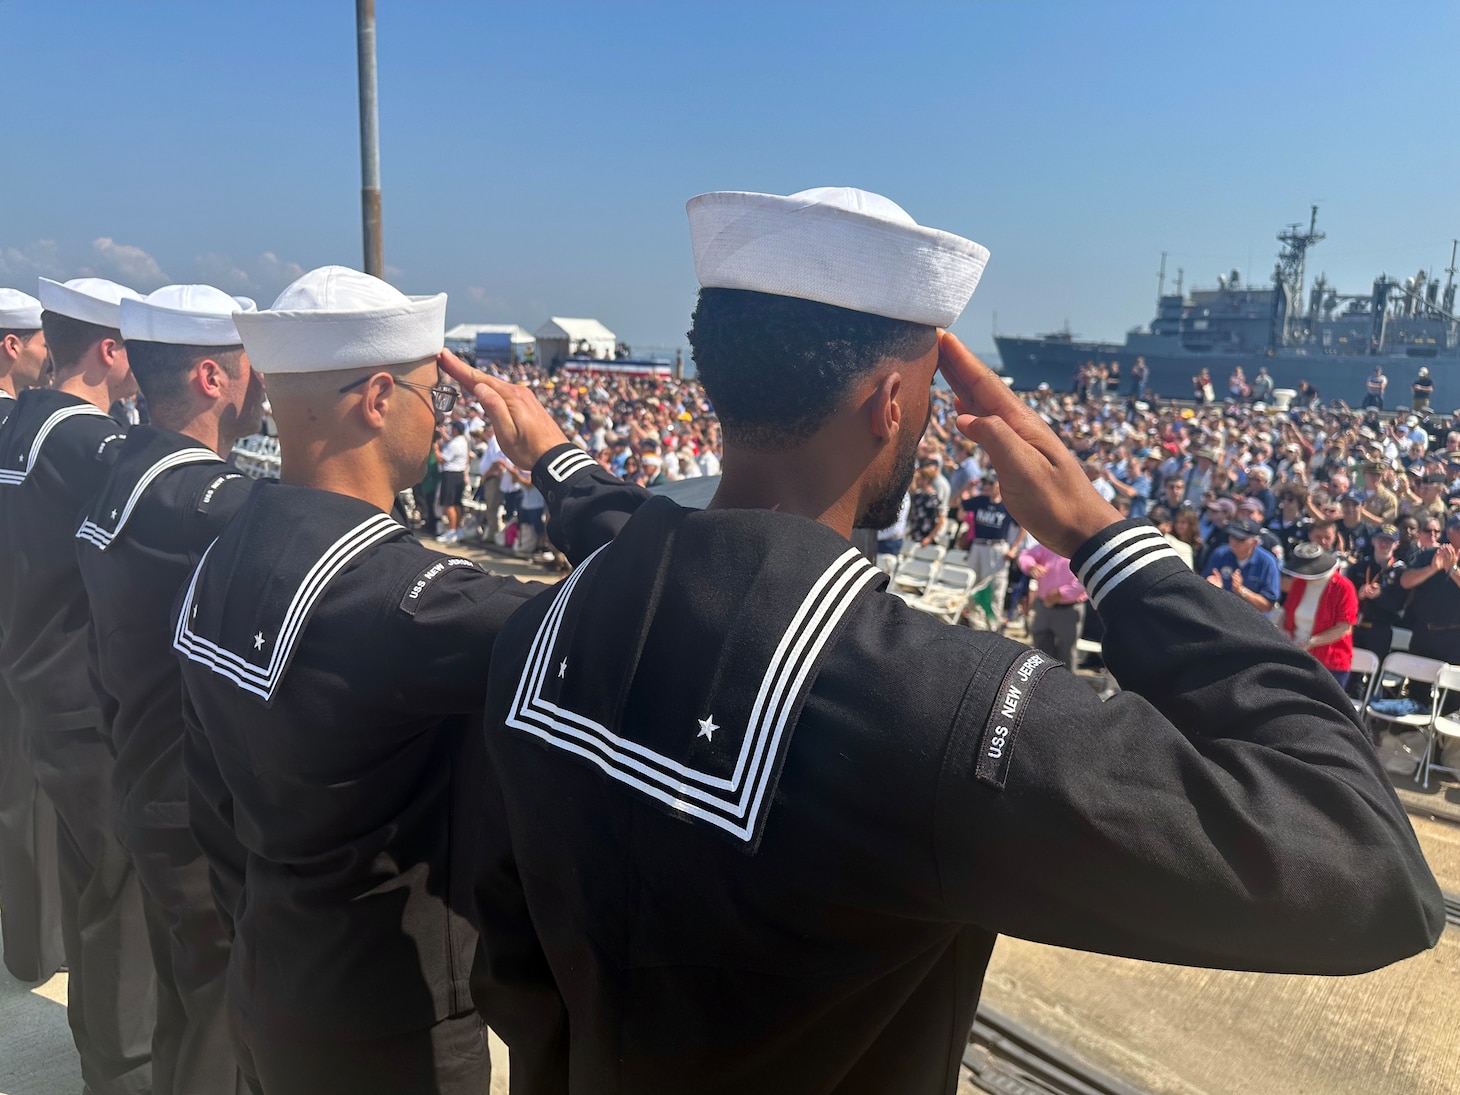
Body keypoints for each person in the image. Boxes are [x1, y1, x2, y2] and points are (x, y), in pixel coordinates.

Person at [468, 186, 1442, 1094]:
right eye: (929, 393)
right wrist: (1111, 546)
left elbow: (508, 959)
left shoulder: (539, 629)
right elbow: (1365, 869)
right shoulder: (933, 707)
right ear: (890, 403)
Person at [172, 267, 646, 1095]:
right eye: (437, 395)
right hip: (387, 1020)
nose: (444, 415)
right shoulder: (404, 602)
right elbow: (665, 604)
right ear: (379, 397)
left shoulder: (219, 553)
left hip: (266, 971)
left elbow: (210, 803)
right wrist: (559, 463)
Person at [76, 284, 264, 1094]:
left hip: (143, 778)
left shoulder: (118, 467)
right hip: (201, 810)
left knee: (184, 1014)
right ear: (213, 380)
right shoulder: (220, 507)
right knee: (223, 1029)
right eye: (254, 368)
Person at [0, 277, 157, 1093]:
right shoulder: (89, 442)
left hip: (34, 681)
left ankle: (100, 1046)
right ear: (108, 349)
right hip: (87, 696)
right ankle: (121, 1067)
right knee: (123, 902)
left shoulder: (20, 420)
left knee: (87, 886)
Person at [0, 287, 66, 986]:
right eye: (41, 341)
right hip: (16, 626)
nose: (49, 355)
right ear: (10, 345)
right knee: (21, 790)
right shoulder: (15, 428)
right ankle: (33, 943)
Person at [1279, 543, 1359, 687]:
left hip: (1329, 663)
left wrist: (1311, 642)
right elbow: (1285, 612)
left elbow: (1344, 627)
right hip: (1296, 656)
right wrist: (1282, 631)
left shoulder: (1343, 587)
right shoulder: (1299, 583)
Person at [1397, 515, 1460, 665]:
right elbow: (1405, 582)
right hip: (1424, 633)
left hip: (1454, 636)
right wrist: (1432, 568)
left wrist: (1452, 569)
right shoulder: (1428, 555)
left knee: (1451, 687)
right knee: (1417, 687)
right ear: (1449, 532)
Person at [962, 470, 1019, 628]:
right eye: (984, 483)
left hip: (997, 547)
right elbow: (958, 504)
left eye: (990, 483)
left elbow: (1023, 527)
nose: (986, 486)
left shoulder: (1008, 504)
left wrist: (1014, 548)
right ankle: (976, 627)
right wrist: (967, 487)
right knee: (973, 586)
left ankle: (993, 628)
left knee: (995, 589)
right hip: (978, 546)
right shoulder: (980, 501)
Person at [1018, 537, 1088, 666]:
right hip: (1044, 607)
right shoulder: (1051, 544)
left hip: (1069, 610)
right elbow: (1025, 555)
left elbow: (1085, 581)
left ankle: (1066, 685)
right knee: (1041, 653)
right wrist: (1031, 566)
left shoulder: (1083, 547)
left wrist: (1061, 593)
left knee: (1066, 656)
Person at [1348, 525, 1407, 658]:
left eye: (1389, 541)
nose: (1384, 544)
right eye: (1381, 539)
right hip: (1354, 626)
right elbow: (1343, 595)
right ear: (1373, 541)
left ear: (1396, 544)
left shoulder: (1400, 571)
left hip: (1379, 630)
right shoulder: (1360, 566)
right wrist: (1357, 595)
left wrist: (1380, 596)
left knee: (1372, 670)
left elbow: (1399, 605)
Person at [1203, 517, 1281, 613]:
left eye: (1240, 539)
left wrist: (1241, 591)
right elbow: (1203, 585)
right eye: (1232, 536)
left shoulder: (1267, 562)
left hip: (1253, 620)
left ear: (1255, 542)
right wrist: (1212, 588)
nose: (1234, 542)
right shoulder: (1220, 554)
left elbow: (1268, 605)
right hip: (1222, 614)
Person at [435, 419, 470, 542]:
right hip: (458, 474)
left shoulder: (455, 444)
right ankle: (457, 529)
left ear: (455, 430)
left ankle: (452, 530)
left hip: (450, 474)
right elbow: (450, 441)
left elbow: (442, 459)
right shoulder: (462, 441)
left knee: (449, 504)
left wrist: (435, 449)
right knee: (456, 503)